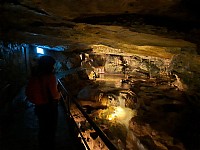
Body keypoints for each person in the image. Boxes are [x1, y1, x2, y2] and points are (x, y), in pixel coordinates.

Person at [25, 55, 60, 150]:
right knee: (51, 129)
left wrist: (37, 100)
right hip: (50, 108)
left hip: (39, 107)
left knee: (42, 128)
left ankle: (42, 146)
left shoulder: (35, 76)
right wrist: (59, 95)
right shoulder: (50, 77)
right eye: (53, 65)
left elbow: (28, 92)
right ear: (50, 65)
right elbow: (54, 94)